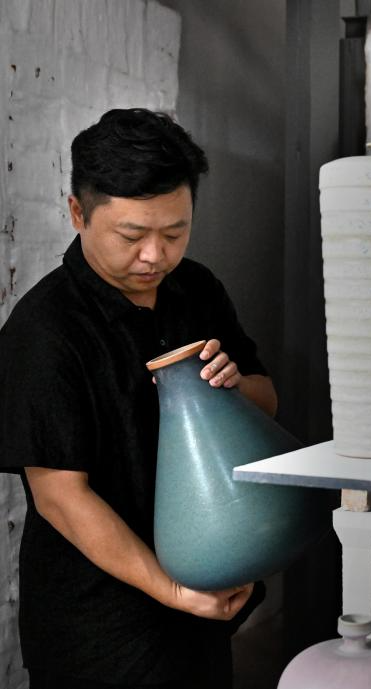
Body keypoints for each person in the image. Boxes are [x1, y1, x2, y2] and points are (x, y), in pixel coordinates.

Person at [0, 108, 276, 688]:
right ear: (78, 213)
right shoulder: (45, 330)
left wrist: (232, 389)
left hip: (205, 597)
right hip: (98, 627)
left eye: (175, 233)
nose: (155, 255)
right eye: (132, 236)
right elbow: (61, 498)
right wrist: (172, 589)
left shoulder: (196, 289)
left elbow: (266, 402)